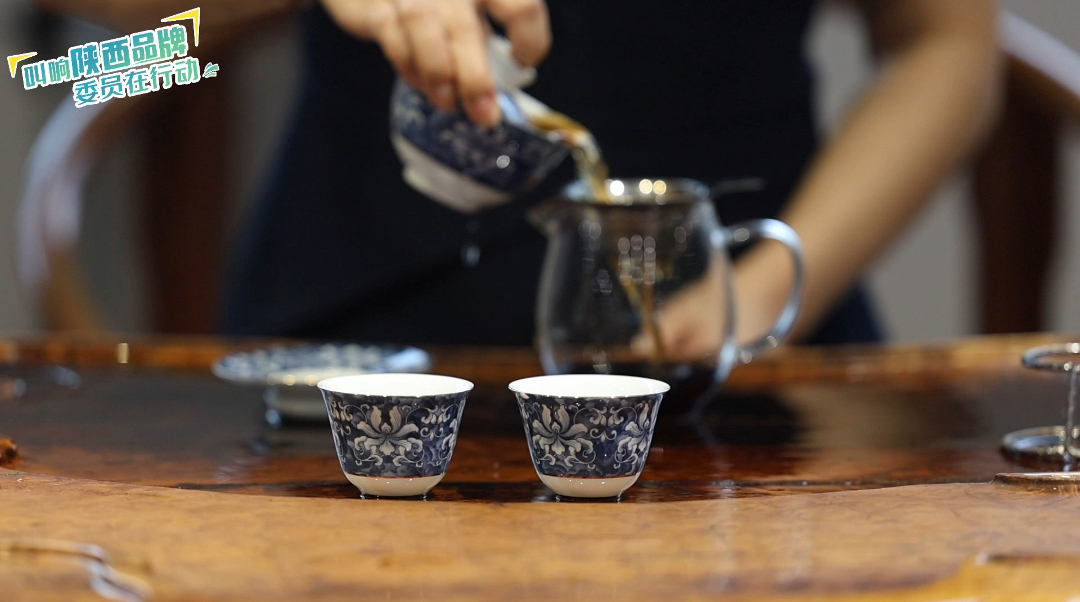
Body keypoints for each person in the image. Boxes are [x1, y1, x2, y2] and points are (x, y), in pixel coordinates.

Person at [41, 0, 1002, 352]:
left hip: (745, 351)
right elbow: (100, 44)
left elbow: (947, 48)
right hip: (355, 342)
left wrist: (760, 297)